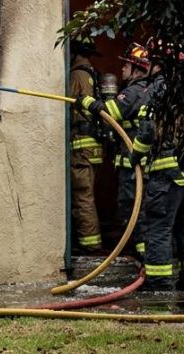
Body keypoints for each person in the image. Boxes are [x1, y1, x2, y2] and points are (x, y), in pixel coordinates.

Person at [128, 38, 184, 291]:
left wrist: (136, 153)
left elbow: (149, 127)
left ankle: (160, 281)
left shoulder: (160, 88)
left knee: (159, 227)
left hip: (167, 173)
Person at [76, 42, 156, 259]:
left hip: (133, 163)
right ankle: (145, 257)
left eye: (126, 66)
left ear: (137, 69)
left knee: (134, 211)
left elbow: (111, 114)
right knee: (140, 211)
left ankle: (143, 258)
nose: (122, 70)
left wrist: (89, 103)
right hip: (136, 162)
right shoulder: (149, 89)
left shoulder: (133, 91)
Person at [69, 40, 103, 253]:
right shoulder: (92, 74)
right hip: (94, 148)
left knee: (83, 196)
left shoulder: (77, 75)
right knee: (88, 194)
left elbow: (68, 104)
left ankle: (90, 246)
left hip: (81, 148)